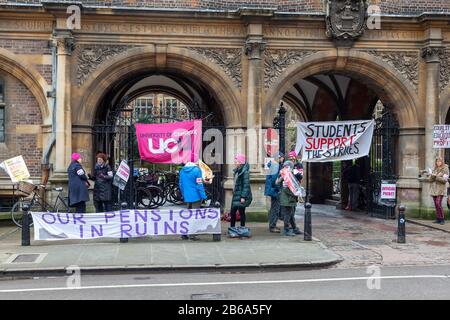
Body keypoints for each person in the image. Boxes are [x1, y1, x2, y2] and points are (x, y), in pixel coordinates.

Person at [179, 161, 208, 240]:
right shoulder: (197, 170)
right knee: (195, 216)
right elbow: (199, 185)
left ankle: (184, 233)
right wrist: (204, 196)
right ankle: (192, 235)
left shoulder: (182, 170)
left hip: (187, 196)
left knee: (187, 215)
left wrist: (184, 194)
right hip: (196, 197)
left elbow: (180, 184)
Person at [276, 161, 302, 236]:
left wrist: (294, 173)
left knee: (291, 213)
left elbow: (299, 178)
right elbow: (277, 182)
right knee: (287, 214)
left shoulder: (292, 173)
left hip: (292, 196)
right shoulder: (282, 173)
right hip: (286, 196)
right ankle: (286, 229)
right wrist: (282, 177)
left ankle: (294, 228)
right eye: (286, 166)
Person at [230, 154, 252, 228]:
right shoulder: (237, 170)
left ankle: (242, 228)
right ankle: (232, 228)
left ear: (240, 162)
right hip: (236, 194)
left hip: (241, 196)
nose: (235, 162)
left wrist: (243, 197)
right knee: (233, 212)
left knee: (241, 212)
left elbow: (246, 185)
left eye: (236, 161)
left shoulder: (245, 172)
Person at [425, 157, 448, 225]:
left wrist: (436, 177)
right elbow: (430, 180)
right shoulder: (435, 169)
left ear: (442, 162)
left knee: (438, 203)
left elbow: (444, 180)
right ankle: (438, 218)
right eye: (437, 161)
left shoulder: (445, 169)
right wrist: (432, 175)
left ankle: (442, 219)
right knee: (436, 204)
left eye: (439, 161)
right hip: (434, 189)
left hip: (440, 189)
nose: (438, 163)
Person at [264, 152, 283, 233]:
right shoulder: (275, 165)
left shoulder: (272, 164)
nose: (283, 159)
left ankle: (273, 225)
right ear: (279, 158)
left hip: (272, 190)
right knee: (275, 208)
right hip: (275, 190)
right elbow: (274, 180)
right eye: (282, 157)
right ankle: (272, 226)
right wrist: (278, 189)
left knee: (273, 208)